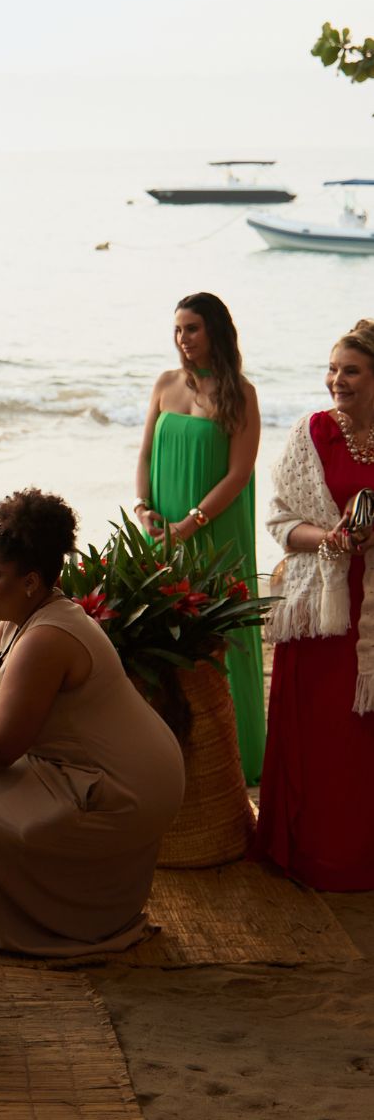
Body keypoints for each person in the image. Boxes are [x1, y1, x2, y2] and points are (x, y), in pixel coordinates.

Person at [0, 490, 185, 956]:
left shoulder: (45, 638)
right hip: (91, 767)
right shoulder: (16, 620)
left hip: (126, 788)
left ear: (30, 581)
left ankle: (60, 919)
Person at [255, 320, 374, 890]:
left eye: (350, 370)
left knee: (361, 737)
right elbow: (279, 520)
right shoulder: (311, 433)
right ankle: (309, 856)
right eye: (332, 369)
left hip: (369, 609)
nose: (336, 380)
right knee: (321, 733)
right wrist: (329, 538)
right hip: (322, 610)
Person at [135, 292, 264, 783]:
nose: (182, 339)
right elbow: (145, 453)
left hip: (214, 528)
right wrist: (145, 509)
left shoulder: (241, 393)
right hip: (161, 528)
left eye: (191, 328)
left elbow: (238, 475)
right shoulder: (165, 384)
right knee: (162, 634)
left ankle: (241, 753)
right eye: (177, 330)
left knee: (223, 634)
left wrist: (189, 525)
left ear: (215, 331)